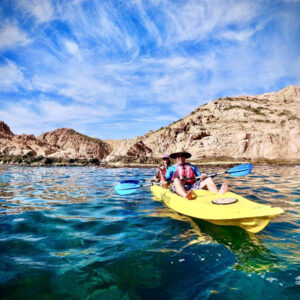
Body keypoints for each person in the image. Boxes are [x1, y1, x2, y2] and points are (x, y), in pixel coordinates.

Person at [165, 151, 229, 200]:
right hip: (179, 186)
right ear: (175, 158)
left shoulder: (192, 166)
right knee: (176, 180)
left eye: (182, 156)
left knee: (208, 179)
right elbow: (166, 179)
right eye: (178, 156)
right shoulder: (171, 168)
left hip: (192, 186)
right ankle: (185, 195)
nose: (180, 158)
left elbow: (199, 176)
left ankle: (217, 194)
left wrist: (203, 176)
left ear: (185, 157)